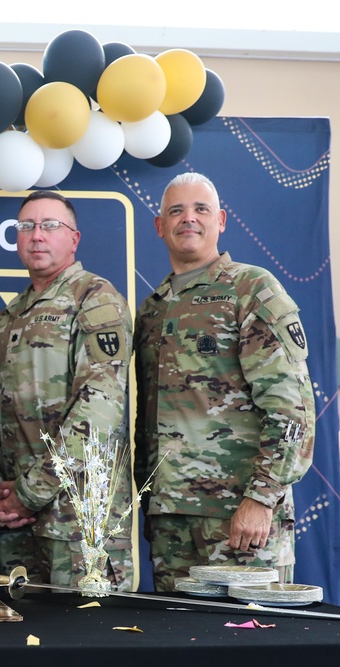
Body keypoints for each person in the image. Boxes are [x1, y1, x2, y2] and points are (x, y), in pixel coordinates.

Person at [134, 172, 316, 591]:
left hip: (241, 516)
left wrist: (261, 498)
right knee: (179, 645)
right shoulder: (153, 309)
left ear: (221, 220)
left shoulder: (251, 289)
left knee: (253, 644)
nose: (188, 219)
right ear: (160, 226)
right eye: (175, 210)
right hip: (171, 521)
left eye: (201, 209)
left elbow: (291, 408)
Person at [0, 190, 134, 590]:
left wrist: (29, 493)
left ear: (74, 239)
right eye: (26, 226)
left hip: (78, 525)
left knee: (87, 643)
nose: (36, 235)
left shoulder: (95, 299)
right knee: (22, 645)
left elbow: (98, 413)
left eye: (49, 226)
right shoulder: (8, 318)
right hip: (19, 526)